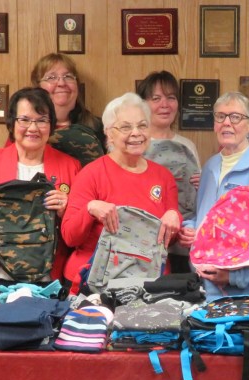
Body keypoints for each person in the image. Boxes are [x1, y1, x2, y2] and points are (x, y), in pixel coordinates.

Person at [0, 87, 81, 304]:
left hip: (48, 282)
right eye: (24, 119)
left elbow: (77, 237)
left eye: (41, 120)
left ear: (51, 126)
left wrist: (66, 212)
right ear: (12, 124)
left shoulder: (70, 167)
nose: (33, 128)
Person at [61, 92, 182, 293]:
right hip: (95, 282)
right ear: (109, 133)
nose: (136, 133)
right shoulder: (91, 173)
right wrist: (90, 209)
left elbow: (171, 239)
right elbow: (70, 237)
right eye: (126, 127)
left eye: (142, 125)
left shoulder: (163, 176)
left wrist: (174, 216)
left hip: (150, 282)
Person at [178, 92, 249, 301]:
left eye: (235, 117)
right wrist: (191, 228)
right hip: (211, 293)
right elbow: (203, 217)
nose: (227, 123)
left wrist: (236, 275)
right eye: (220, 116)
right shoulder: (210, 166)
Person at [137, 70, 201, 273]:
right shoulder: (134, 144)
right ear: (144, 105)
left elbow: (197, 200)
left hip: (182, 245)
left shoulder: (187, 146)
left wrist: (204, 184)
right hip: (144, 245)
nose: (164, 105)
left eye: (171, 98)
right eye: (156, 98)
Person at [30, 52, 106, 160]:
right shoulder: (25, 130)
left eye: (68, 76)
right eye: (51, 77)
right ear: (38, 87)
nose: (61, 83)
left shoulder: (102, 128)